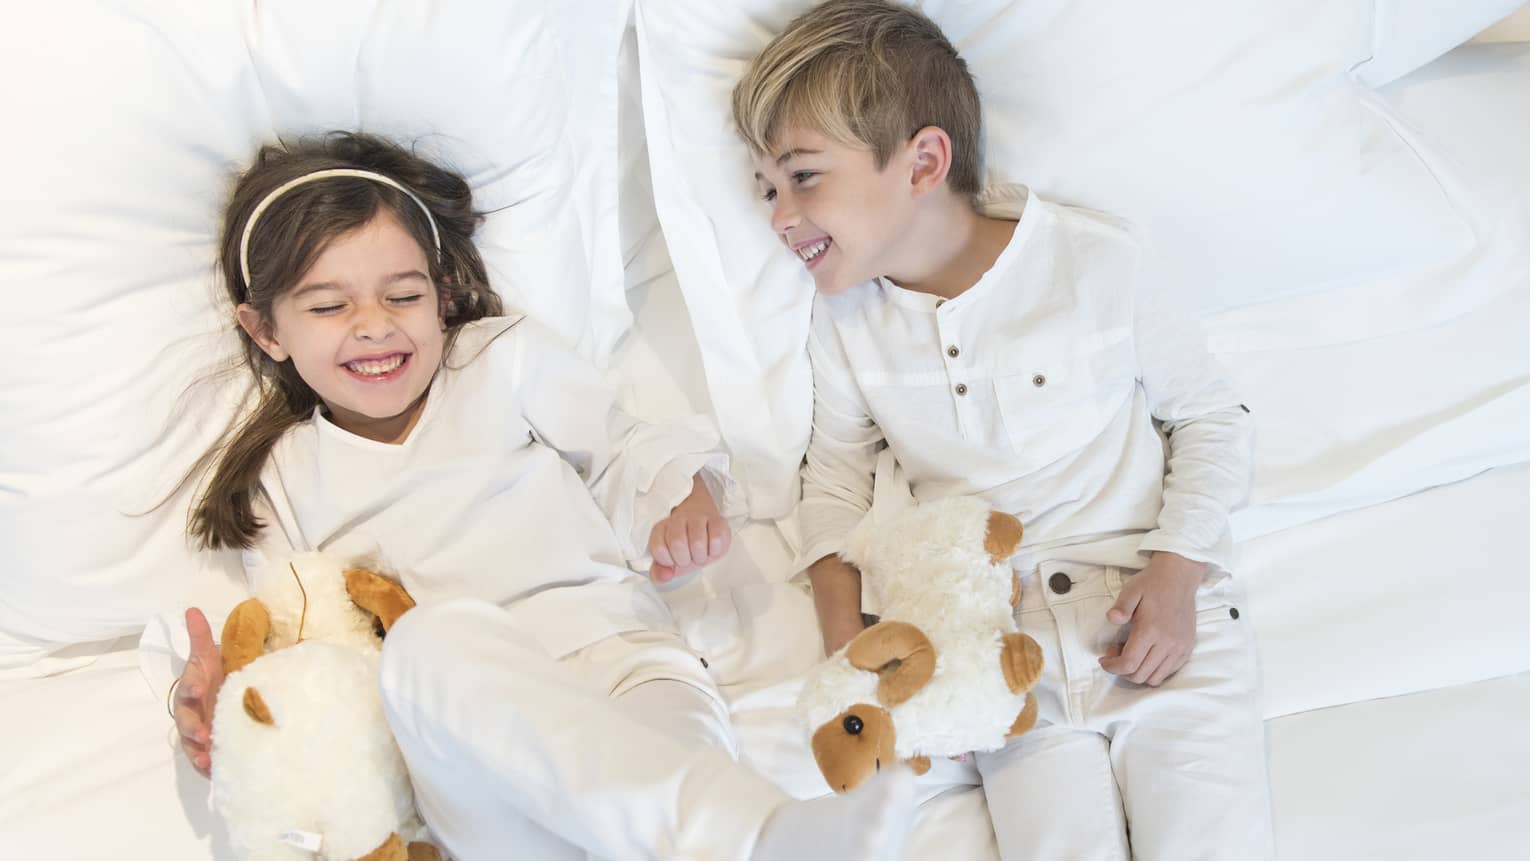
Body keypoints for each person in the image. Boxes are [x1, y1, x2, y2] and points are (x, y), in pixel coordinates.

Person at [168, 131, 914, 861]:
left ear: (443, 295)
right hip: (474, 755)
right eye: (329, 307)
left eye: (403, 294)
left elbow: (619, 444)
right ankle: (745, 834)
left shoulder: (499, 361)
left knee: (671, 784)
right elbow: (292, 630)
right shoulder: (287, 473)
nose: (374, 326)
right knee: (430, 641)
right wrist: (218, 689)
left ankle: (747, 834)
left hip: (620, 666)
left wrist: (678, 500)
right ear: (265, 330)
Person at [733, 1, 1275, 858]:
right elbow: (833, 478)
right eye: (766, 187)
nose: (778, 217)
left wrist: (1177, 572)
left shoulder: (1098, 263)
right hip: (996, 654)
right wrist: (852, 652)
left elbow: (1210, 416)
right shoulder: (845, 323)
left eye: (803, 177)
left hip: (1156, 617)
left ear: (923, 162)